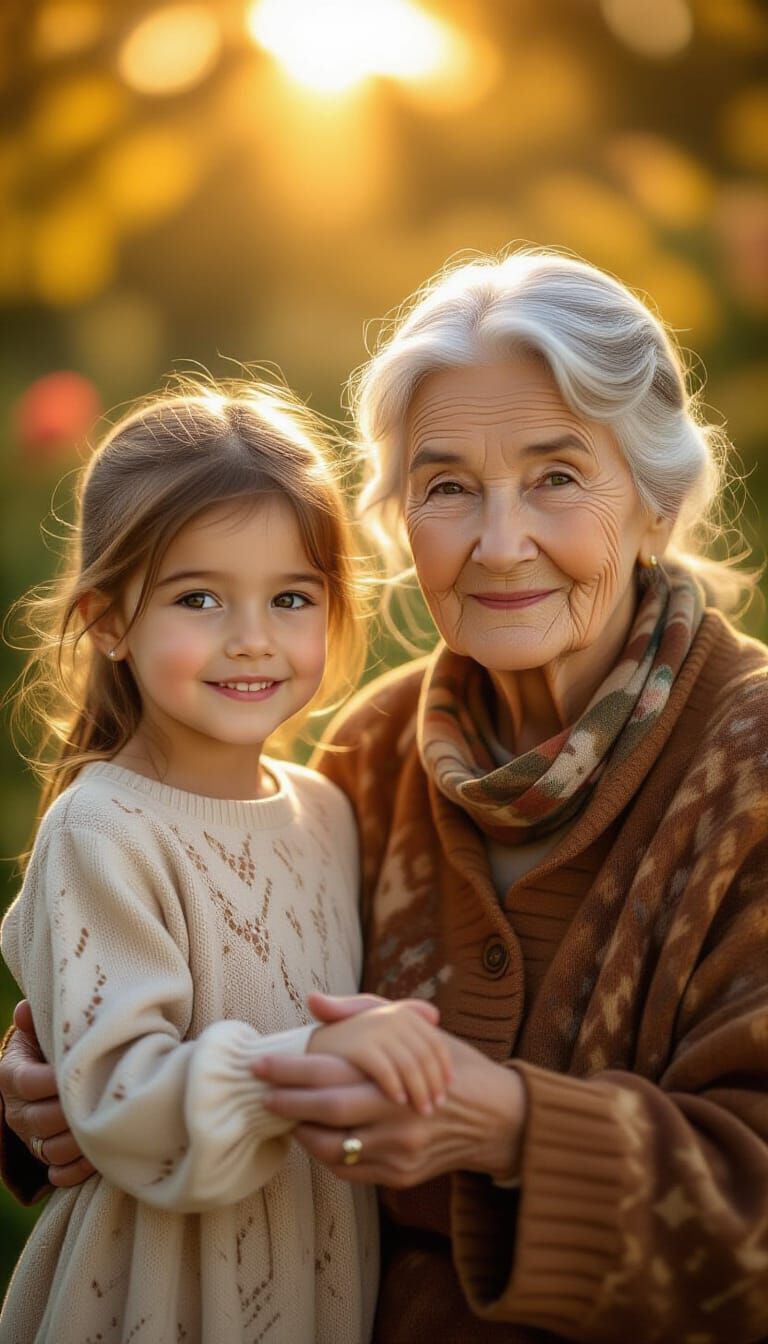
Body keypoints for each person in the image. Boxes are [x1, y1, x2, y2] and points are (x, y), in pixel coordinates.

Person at [3, 249, 768, 1344]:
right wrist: (45, 1090)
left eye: (556, 477)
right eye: (447, 486)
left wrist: (508, 1128)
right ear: (399, 518)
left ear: (658, 503)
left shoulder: (749, 766)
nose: (499, 545)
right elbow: (198, 998)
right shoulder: (368, 756)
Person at [0, 379, 453, 1344]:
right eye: (198, 598)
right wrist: (307, 1060)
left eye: (290, 598)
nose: (252, 639)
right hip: (154, 1298)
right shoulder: (103, 831)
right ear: (108, 620)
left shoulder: (326, 814)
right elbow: (117, 1102)